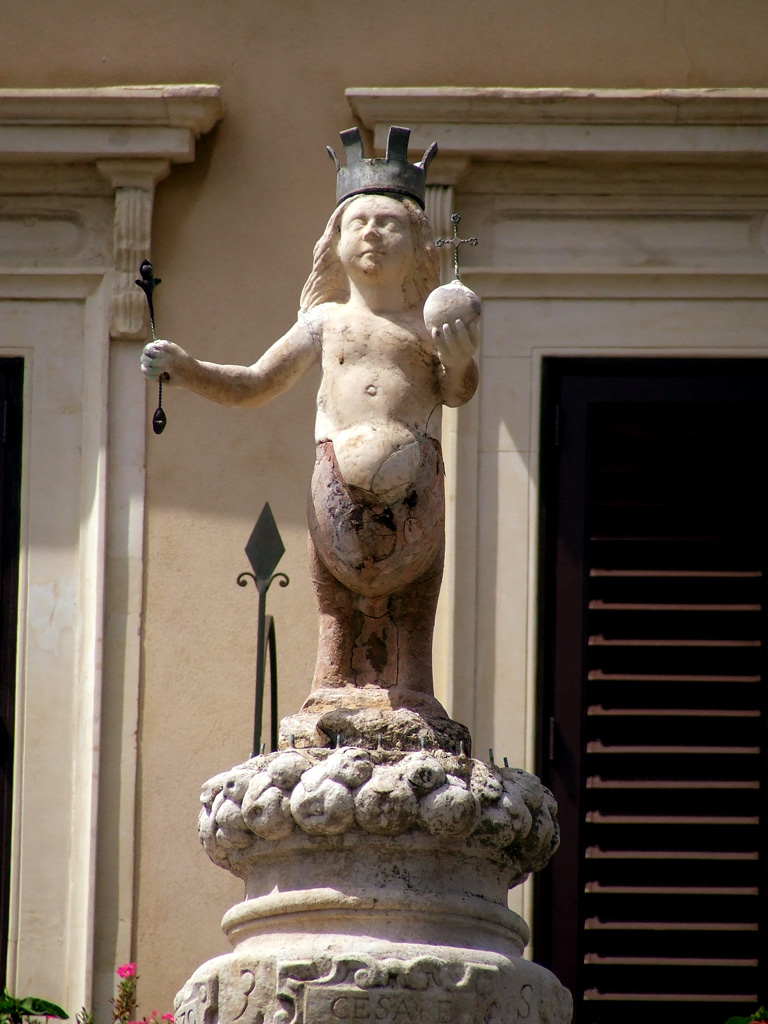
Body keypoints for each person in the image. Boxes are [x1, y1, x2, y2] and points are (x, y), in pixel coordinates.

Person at [141, 190, 479, 702]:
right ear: (334, 245)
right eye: (358, 223)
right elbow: (256, 382)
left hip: (417, 491)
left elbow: (457, 392)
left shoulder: (425, 327)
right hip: (336, 486)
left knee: (415, 607)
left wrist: (458, 359)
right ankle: (327, 690)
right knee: (333, 607)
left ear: (418, 245)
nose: (371, 232)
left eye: (388, 224)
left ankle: (415, 691)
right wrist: (187, 370)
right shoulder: (323, 323)